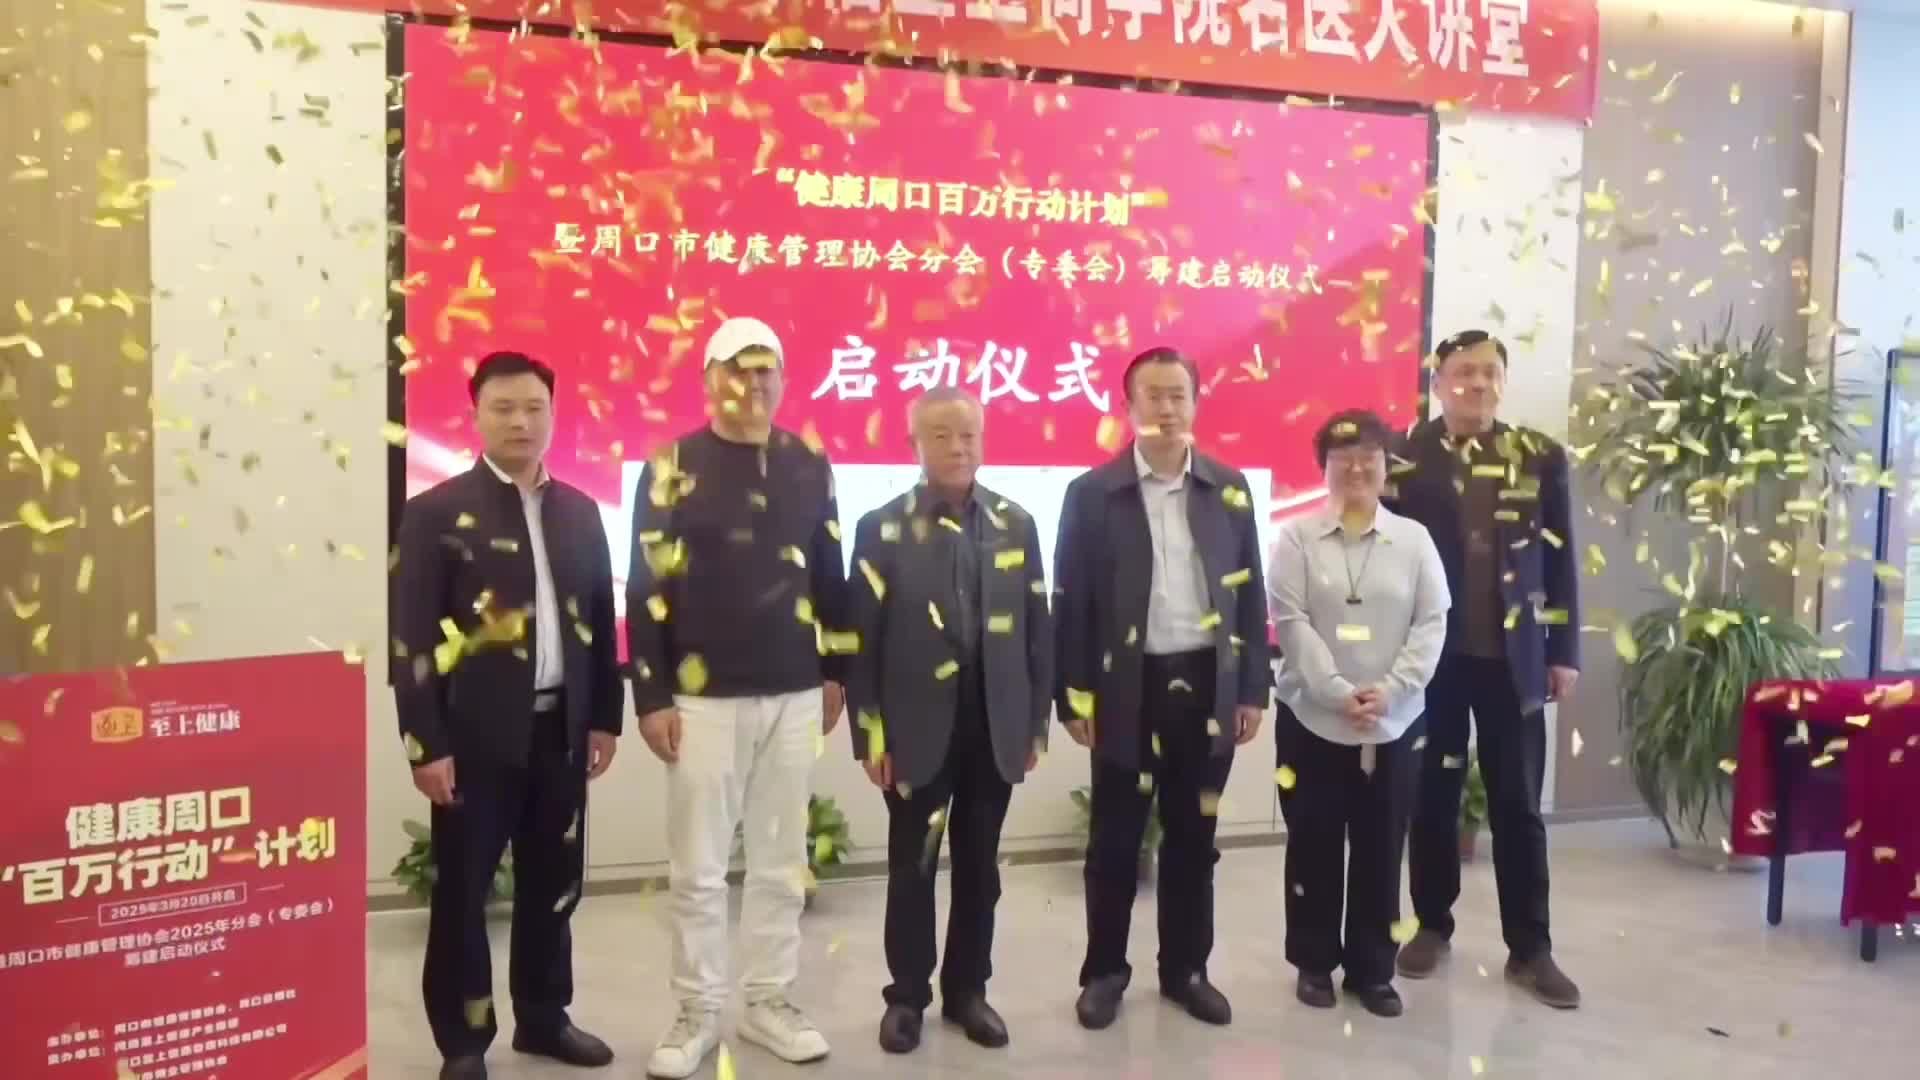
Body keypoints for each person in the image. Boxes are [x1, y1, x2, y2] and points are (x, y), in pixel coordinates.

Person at [627, 316, 850, 1078]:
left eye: (765, 371)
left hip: (794, 692)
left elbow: (829, 571)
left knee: (781, 862)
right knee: (698, 868)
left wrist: (836, 669)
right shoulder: (671, 465)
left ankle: (767, 1001)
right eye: (738, 369)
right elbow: (645, 588)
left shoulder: (809, 462)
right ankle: (697, 1010)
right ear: (709, 379)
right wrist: (651, 695)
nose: (753, 384)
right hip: (701, 702)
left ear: (782, 380)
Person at [391, 351, 623, 1080]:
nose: (521, 421)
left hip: (562, 732)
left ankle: (544, 1018)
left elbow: (599, 622)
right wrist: (425, 743)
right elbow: (412, 639)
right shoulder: (435, 513)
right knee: (463, 895)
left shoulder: (581, 512)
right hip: (473, 741)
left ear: (552, 414)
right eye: (504, 408)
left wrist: (604, 718)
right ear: (477, 416)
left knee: (554, 885)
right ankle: (464, 1043)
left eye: (534, 407)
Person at [1053, 346, 1272, 1031]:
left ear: (1196, 403)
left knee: (1193, 837)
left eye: (1178, 394)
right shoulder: (1092, 494)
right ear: (1129, 407)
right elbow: (1071, 603)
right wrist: (1073, 695)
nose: (1167, 407)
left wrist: (1251, 689)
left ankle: (1186, 971)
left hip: (1206, 684)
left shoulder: (1228, 488)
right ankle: (1104, 974)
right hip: (1127, 687)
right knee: (1115, 840)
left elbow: (1250, 594)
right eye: (1153, 395)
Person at [844, 386, 1051, 1055]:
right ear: (915, 445)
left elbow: (1037, 631)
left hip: (995, 724)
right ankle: (907, 997)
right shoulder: (880, 527)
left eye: (968, 434)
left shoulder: (1018, 524)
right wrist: (869, 734)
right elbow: (861, 643)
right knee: (913, 868)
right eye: (940, 435)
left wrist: (1035, 724)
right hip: (913, 730)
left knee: (980, 869)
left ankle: (968, 991)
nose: (957, 447)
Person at [1385, 330, 1583, 1009]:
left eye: (1489, 372)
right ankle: (1431, 925)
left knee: (1518, 804)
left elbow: (1561, 558)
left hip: (1514, 661)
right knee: (1432, 796)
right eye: (1463, 371)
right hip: (1431, 662)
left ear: (1503, 381)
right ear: (1437, 382)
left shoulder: (1539, 456)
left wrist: (1563, 650)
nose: (1476, 382)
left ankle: (1531, 949)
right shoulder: (1403, 457)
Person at [1267, 409, 1450, 1019]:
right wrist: (1336, 691)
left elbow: (1431, 622)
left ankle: (1373, 970)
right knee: (1313, 843)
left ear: (1385, 465)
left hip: (1394, 722)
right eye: (1341, 458)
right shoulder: (1296, 538)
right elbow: (1291, 622)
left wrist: (1392, 690)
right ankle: (1314, 963)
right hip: (1312, 718)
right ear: (1323, 467)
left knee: (1381, 847)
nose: (1355, 468)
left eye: (1368, 457)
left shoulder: (1414, 540)